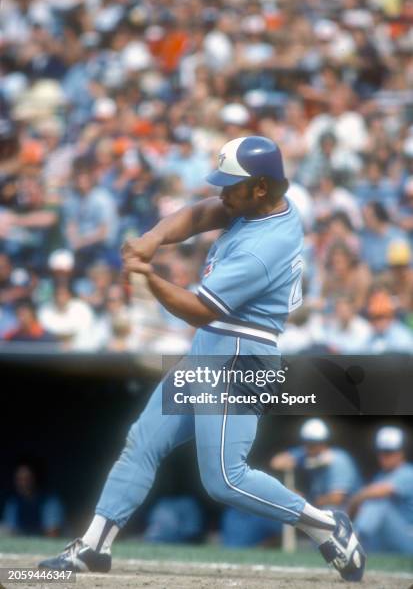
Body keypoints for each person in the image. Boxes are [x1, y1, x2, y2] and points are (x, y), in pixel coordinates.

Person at [39, 137, 365, 581]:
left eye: (233, 186)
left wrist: (148, 276)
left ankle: (326, 524)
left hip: (239, 355)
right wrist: (153, 239)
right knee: (143, 441)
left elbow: (201, 308)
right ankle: (94, 546)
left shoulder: (266, 245)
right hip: (211, 347)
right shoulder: (257, 204)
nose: (224, 193)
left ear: (263, 187)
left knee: (226, 479)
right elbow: (201, 212)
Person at [270, 419, 362, 509]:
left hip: (344, 510)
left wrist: (302, 500)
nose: (309, 447)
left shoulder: (339, 460)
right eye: (307, 443)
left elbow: (336, 499)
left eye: (313, 444)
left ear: (323, 442)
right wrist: (288, 462)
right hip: (317, 505)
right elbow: (276, 462)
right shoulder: (306, 454)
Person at [351, 426, 413, 554]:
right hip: (385, 537)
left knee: (379, 503)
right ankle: (352, 541)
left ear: (400, 453)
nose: (384, 457)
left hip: (408, 536)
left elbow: (378, 493)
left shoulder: (408, 472)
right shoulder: (380, 476)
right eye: (382, 452)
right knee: (370, 505)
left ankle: (351, 542)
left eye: (389, 452)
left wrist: (357, 497)